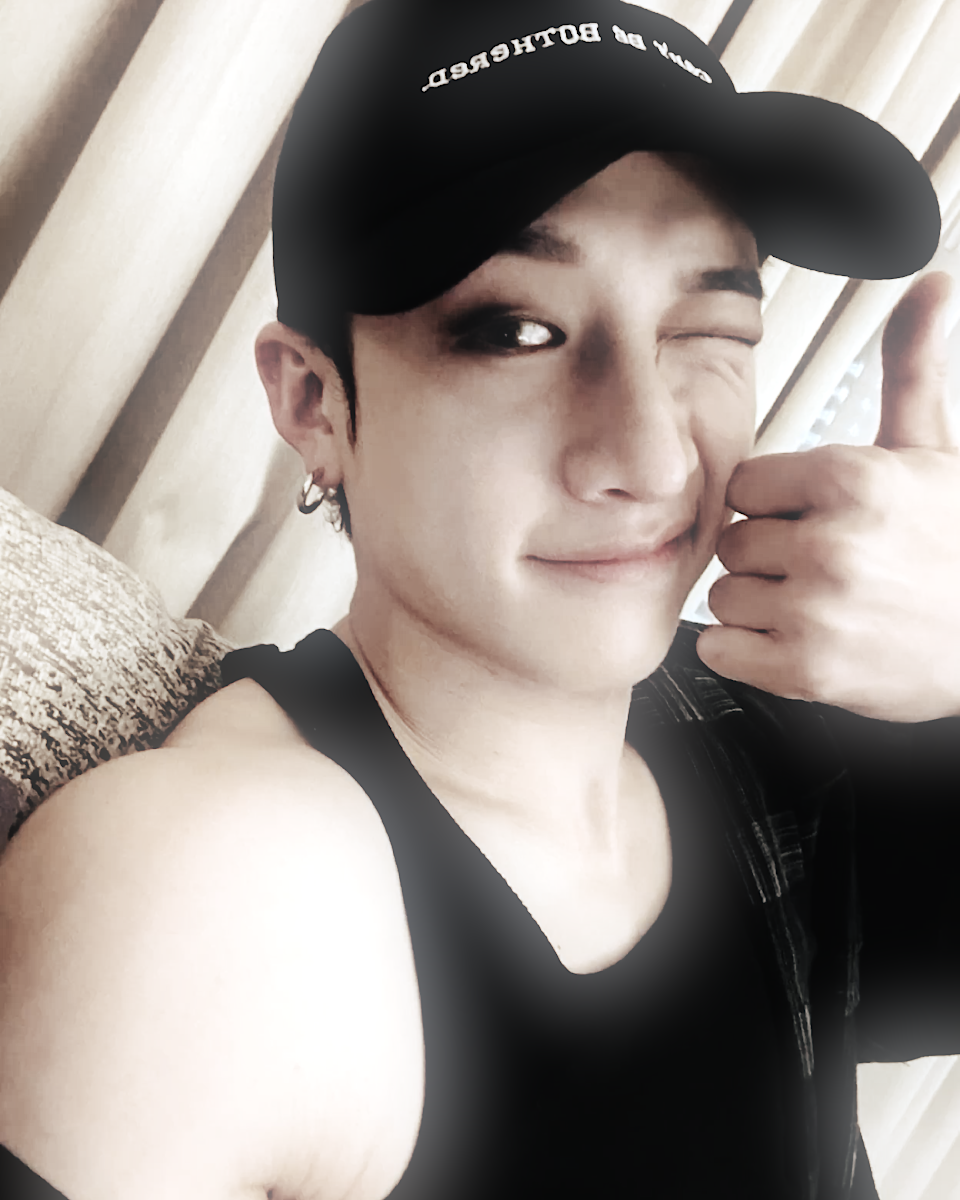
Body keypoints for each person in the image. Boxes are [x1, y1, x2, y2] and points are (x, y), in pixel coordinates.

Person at [0, 1, 957, 1197]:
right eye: (517, 332)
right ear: (313, 402)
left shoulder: (772, 730)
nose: (653, 457)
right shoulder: (218, 897)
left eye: (708, 328)